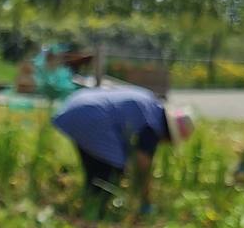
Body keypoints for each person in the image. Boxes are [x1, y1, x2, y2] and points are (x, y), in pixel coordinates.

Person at [52, 87, 193, 213]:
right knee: (112, 170)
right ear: (169, 135)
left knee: (96, 168)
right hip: (93, 116)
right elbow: (142, 165)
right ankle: (95, 212)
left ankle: (89, 206)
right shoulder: (153, 126)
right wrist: (146, 200)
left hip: (79, 103)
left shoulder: (150, 104)